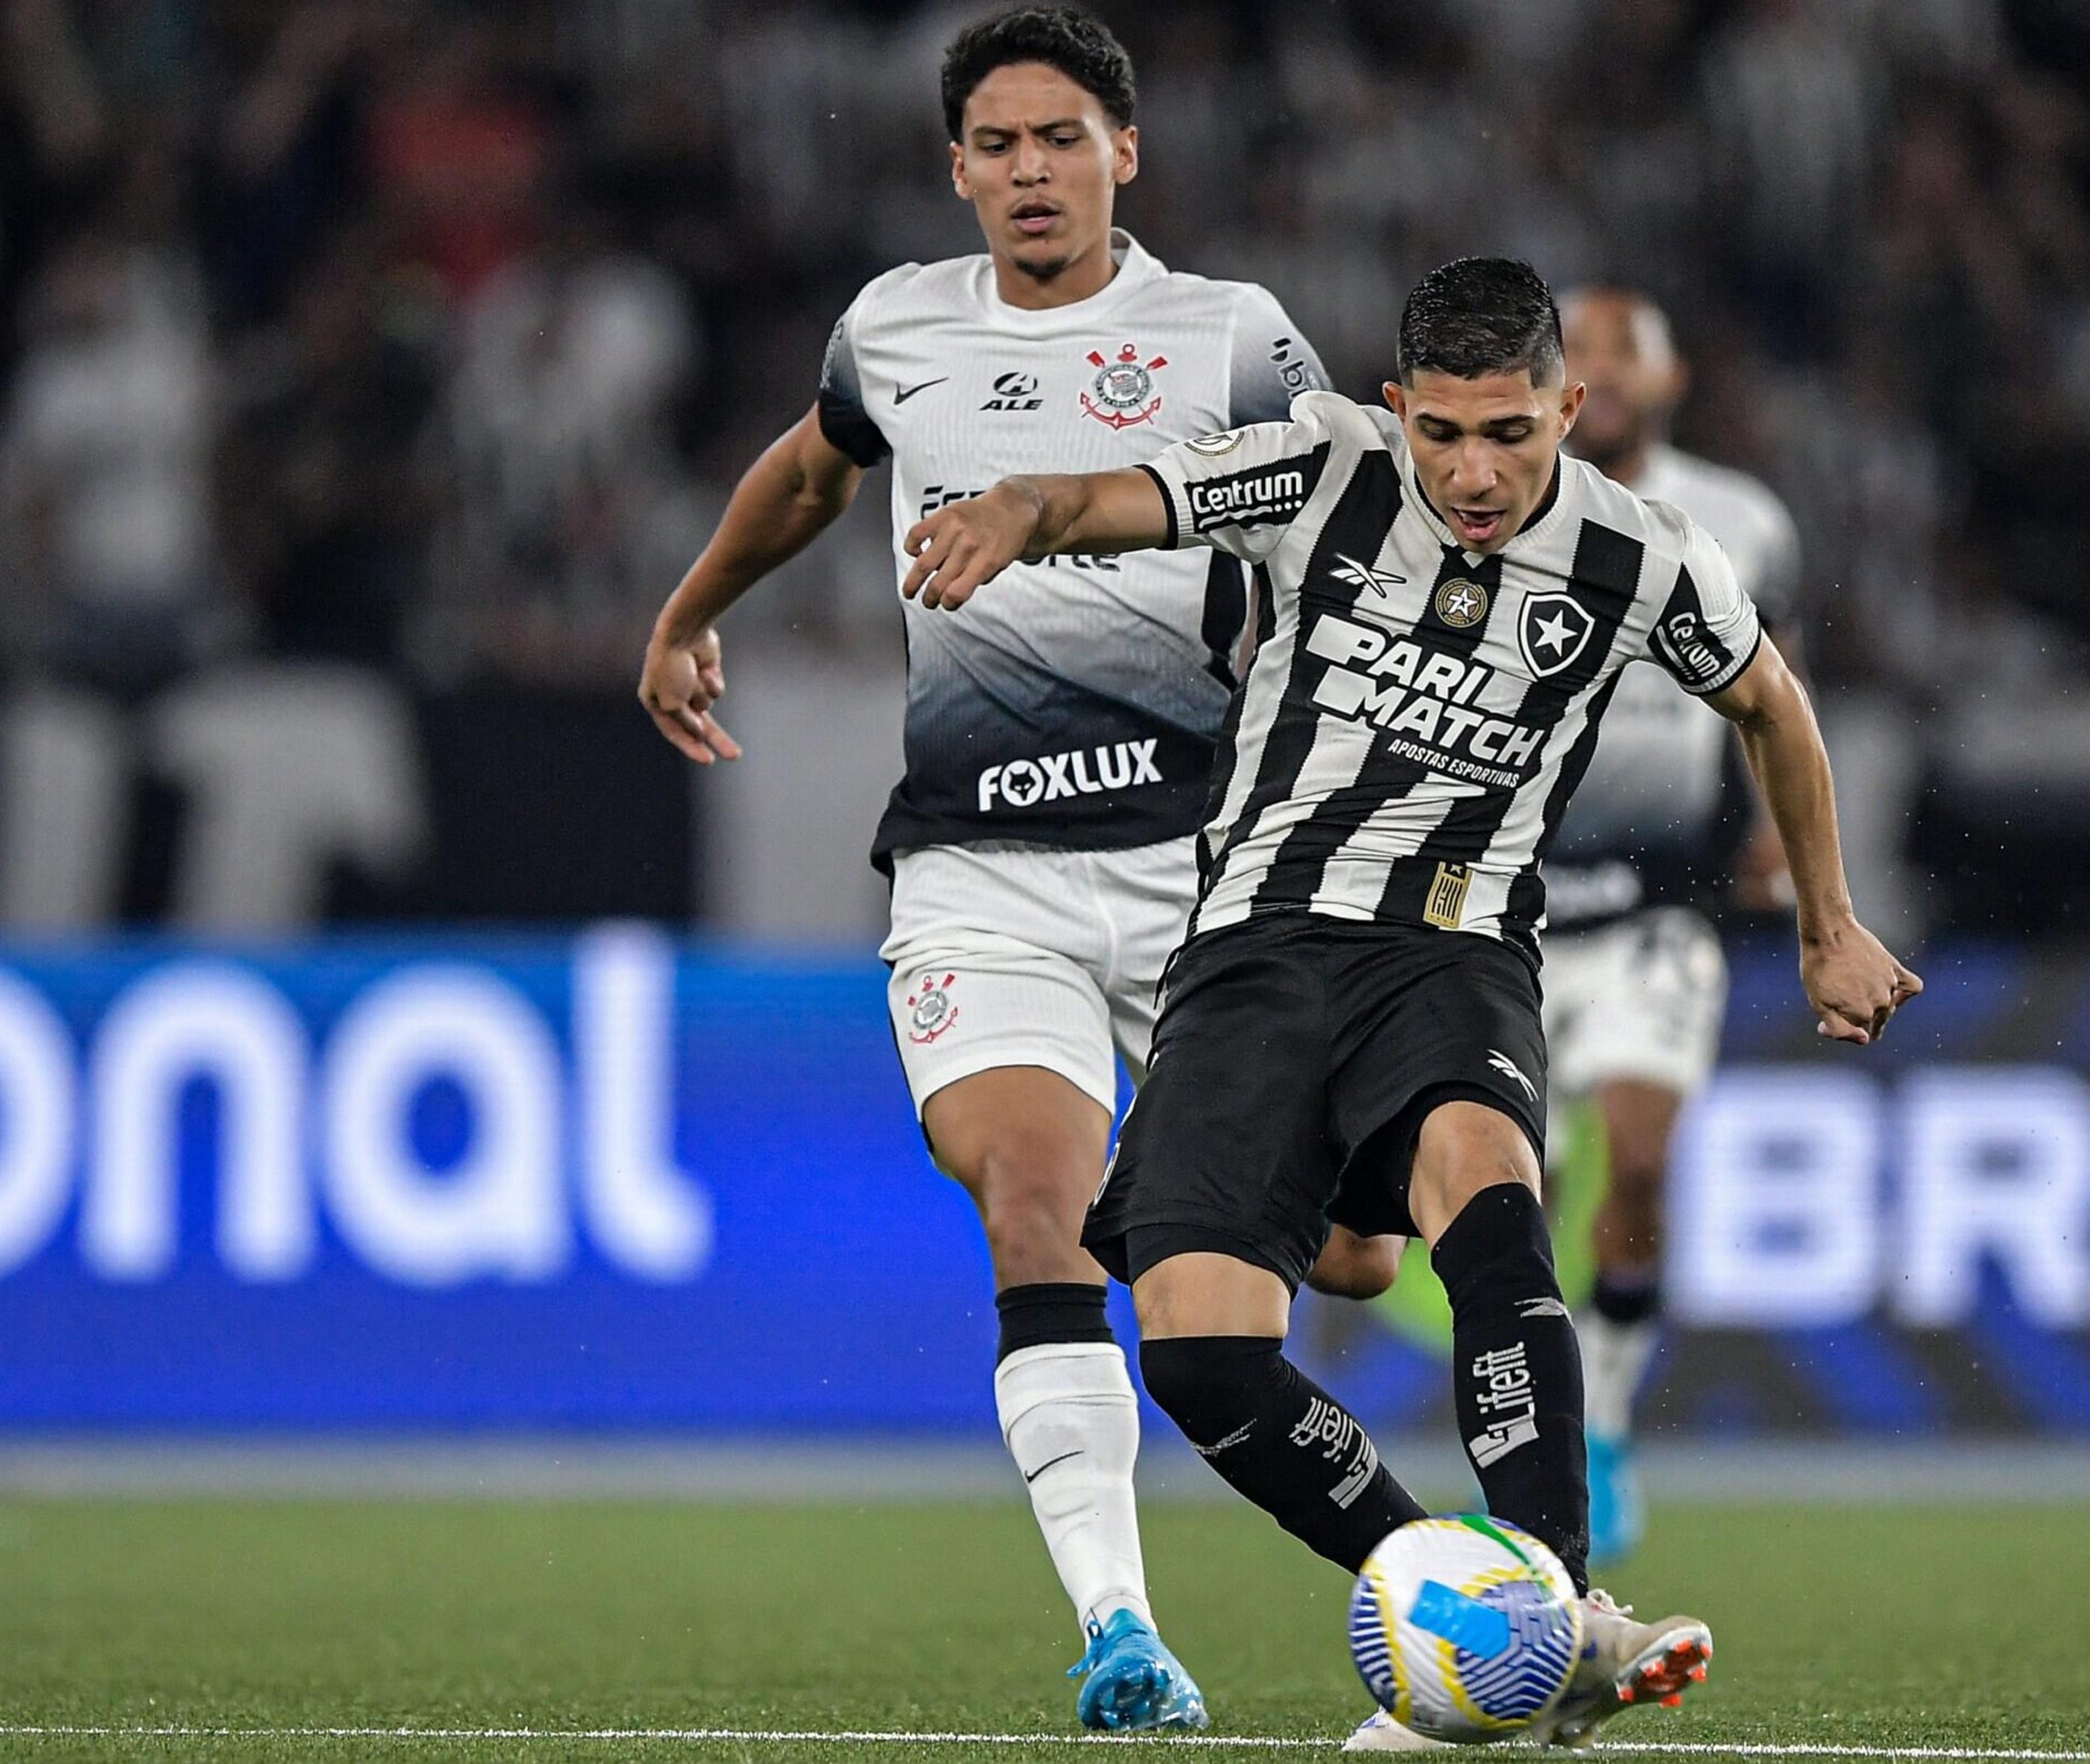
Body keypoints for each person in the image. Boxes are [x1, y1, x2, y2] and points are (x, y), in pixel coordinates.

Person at [898, 256, 1920, 1752]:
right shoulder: (1322, 463)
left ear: (1570, 408)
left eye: (1511, 431)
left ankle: (1558, 1612)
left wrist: (1830, 925)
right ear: (1398, 409)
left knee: (1494, 1208)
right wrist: (1015, 510)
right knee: (1199, 1352)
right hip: (1252, 949)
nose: (1475, 470)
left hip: (1454, 951)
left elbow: (1770, 699)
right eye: (1443, 431)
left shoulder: (1645, 555)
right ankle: (1458, 1597)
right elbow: (1107, 496)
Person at [636, 6, 1394, 1733]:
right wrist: (691, 612)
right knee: (1033, 1205)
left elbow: (1355, 511)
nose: (1033, 172)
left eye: (1066, 138)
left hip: (1207, 875)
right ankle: (1122, 1630)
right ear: (957, 167)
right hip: (985, 874)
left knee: (1344, 1264)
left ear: (1128, 152)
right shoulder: (897, 327)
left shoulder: (1228, 339)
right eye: (1001, 144)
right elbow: (814, 467)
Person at [1549, 287, 1806, 1565]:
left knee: (1641, 1156)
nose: (1594, 370)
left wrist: (1774, 835)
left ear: (1670, 379)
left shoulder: (1747, 521)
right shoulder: (1495, 500)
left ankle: (1597, 1415)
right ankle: (1535, 1424)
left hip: (1662, 899)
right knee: (1493, 1197)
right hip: (1499, 899)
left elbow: (1776, 691)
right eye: (1574, 350)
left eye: (1618, 351)